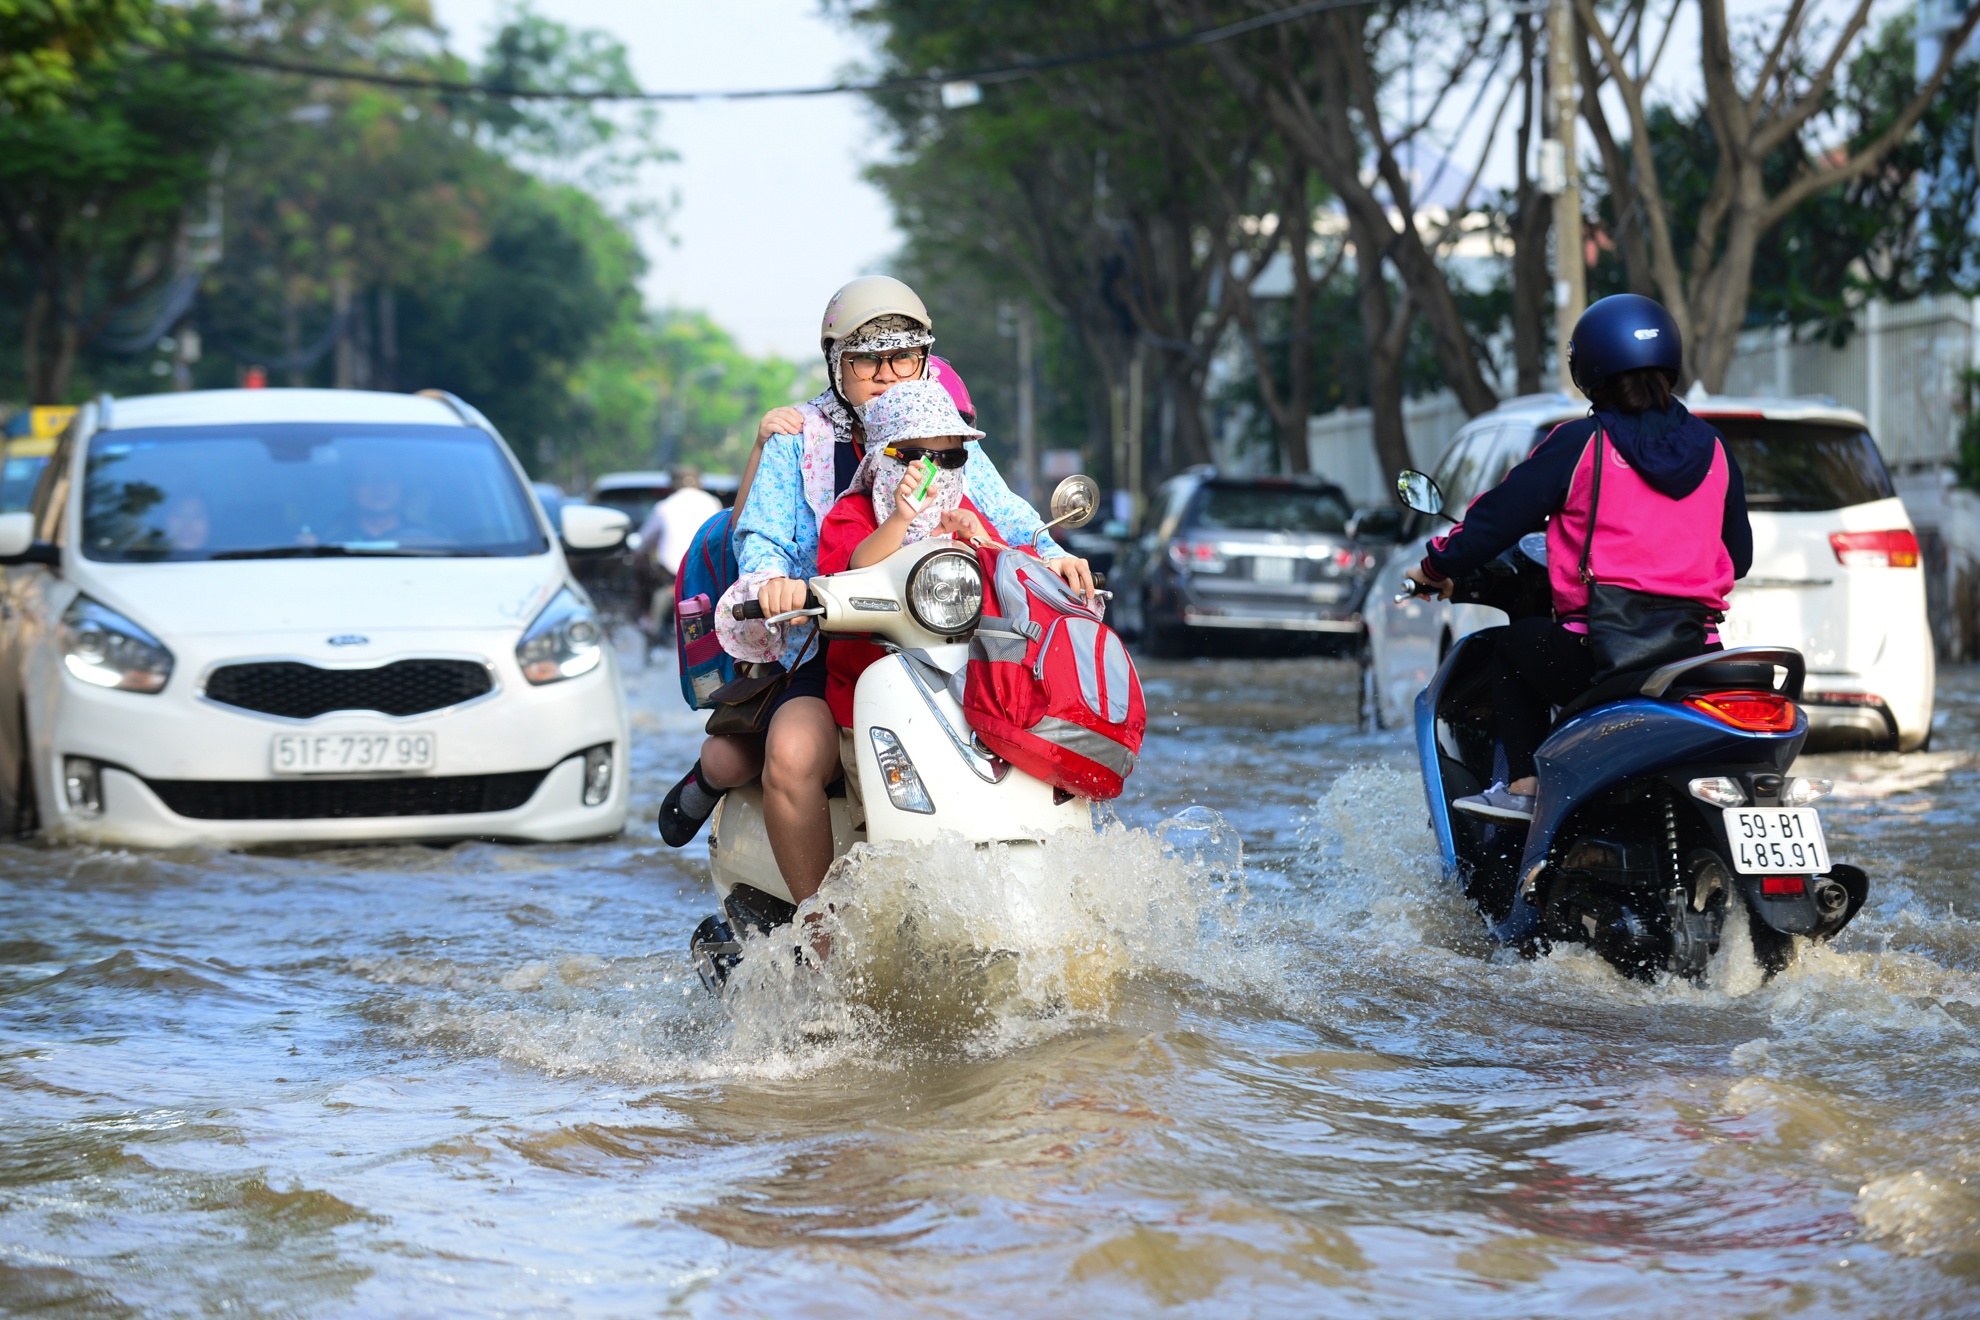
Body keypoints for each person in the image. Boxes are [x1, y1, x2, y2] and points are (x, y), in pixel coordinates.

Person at [654, 277, 1089, 919]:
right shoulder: (797, 439)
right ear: (836, 364)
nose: (886, 375)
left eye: (903, 357)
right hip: (828, 645)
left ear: (925, 360)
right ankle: (818, 928)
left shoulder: (946, 429)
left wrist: (1057, 558)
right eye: (866, 359)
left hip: (951, 639)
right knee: (791, 755)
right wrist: (772, 583)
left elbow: (1008, 514)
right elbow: (764, 535)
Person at [1402, 294, 1753, 824]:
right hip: (1695, 655)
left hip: (1601, 651)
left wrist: (1434, 568)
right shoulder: (1715, 447)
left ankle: (1521, 787)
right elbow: (1739, 556)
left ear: (1587, 369)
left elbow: (1493, 520)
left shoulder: (1582, 444)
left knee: (1510, 646)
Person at [815, 378, 1094, 732]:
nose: (936, 470)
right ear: (880, 457)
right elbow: (852, 569)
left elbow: (1007, 569)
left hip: (966, 698)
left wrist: (1043, 561)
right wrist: (901, 519)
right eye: (919, 457)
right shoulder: (851, 514)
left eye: (952, 458)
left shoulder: (962, 514)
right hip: (871, 702)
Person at [637, 466, 723, 643]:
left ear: (673, 484)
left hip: (670, 575)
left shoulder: (664, 506)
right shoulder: (712, 502)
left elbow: (643, 541)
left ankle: (649, 623)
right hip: (703, 575)